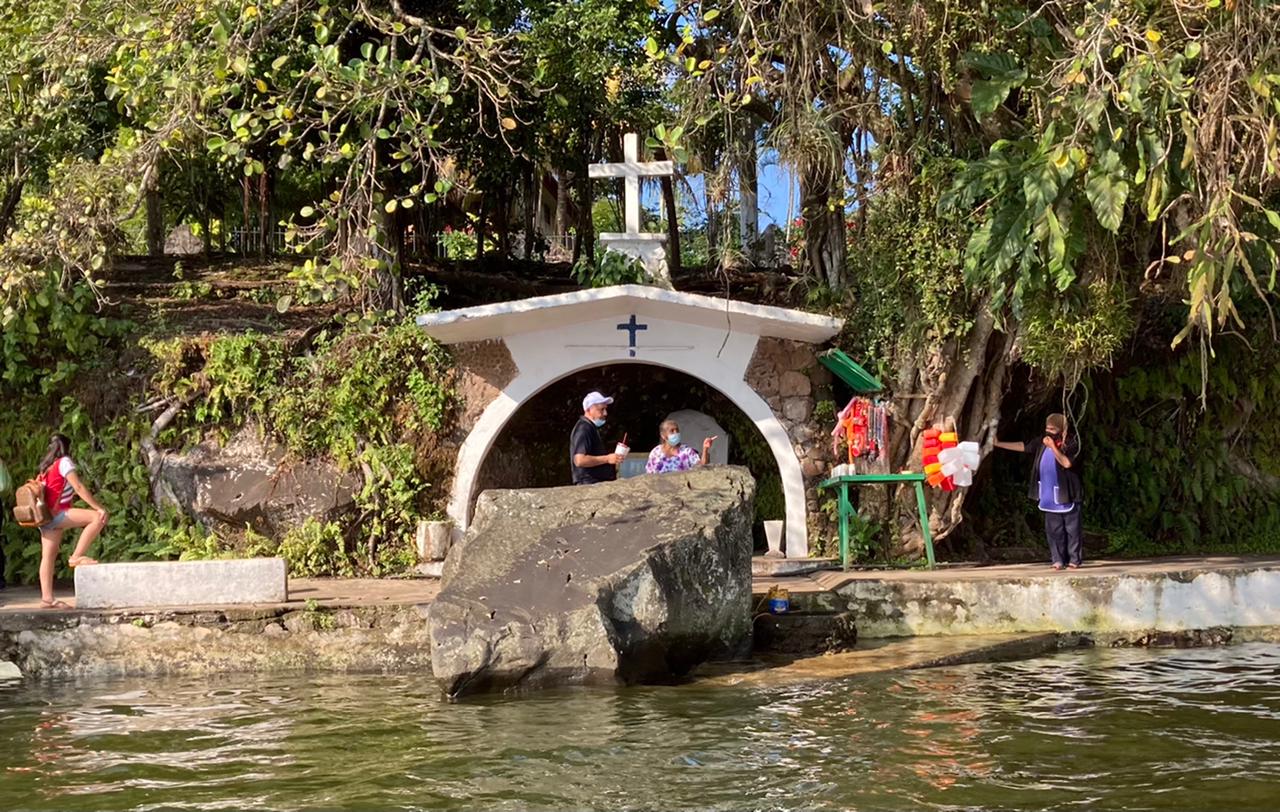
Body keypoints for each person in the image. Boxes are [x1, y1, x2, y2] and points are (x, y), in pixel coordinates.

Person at [994, 413, 1083, 570]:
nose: (1048, 431)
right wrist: (999, 443)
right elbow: (1024, 446)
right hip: (1049, 494)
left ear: (1062, 430)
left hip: (1067, 493)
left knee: (1072, 530)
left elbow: (1067, 463)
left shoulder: (1071, 443)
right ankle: (1057, 560)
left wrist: (1053, 447)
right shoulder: (1042, 441)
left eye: (1052, 429)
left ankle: (1074, 560)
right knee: (1053, 531)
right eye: (1047, 428)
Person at [35, 434, 108, 608]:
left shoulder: (45, 467)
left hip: (44, 517)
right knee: (97, 517)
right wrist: (98, 506)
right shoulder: (64, 462)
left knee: (47, 557)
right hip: (58, 513)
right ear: (67, 447)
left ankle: (47, 599)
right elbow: (78, 487)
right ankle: (76, 556)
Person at [570, 392, 621, 485]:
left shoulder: (589, 427)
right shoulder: (584, 428)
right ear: (589, 409)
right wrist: (607, 459)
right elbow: (579, 460)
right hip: (588, 484)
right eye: (601, 409)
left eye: (605, 409)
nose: (605, 413)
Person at [645, 419, 717, 474]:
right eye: (672, 431)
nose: (676, 433)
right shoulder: (656, 452)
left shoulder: (687, 452)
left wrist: (705, 449)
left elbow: (702, 467)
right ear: (663, 435)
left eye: (677, 430)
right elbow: (649, 474)